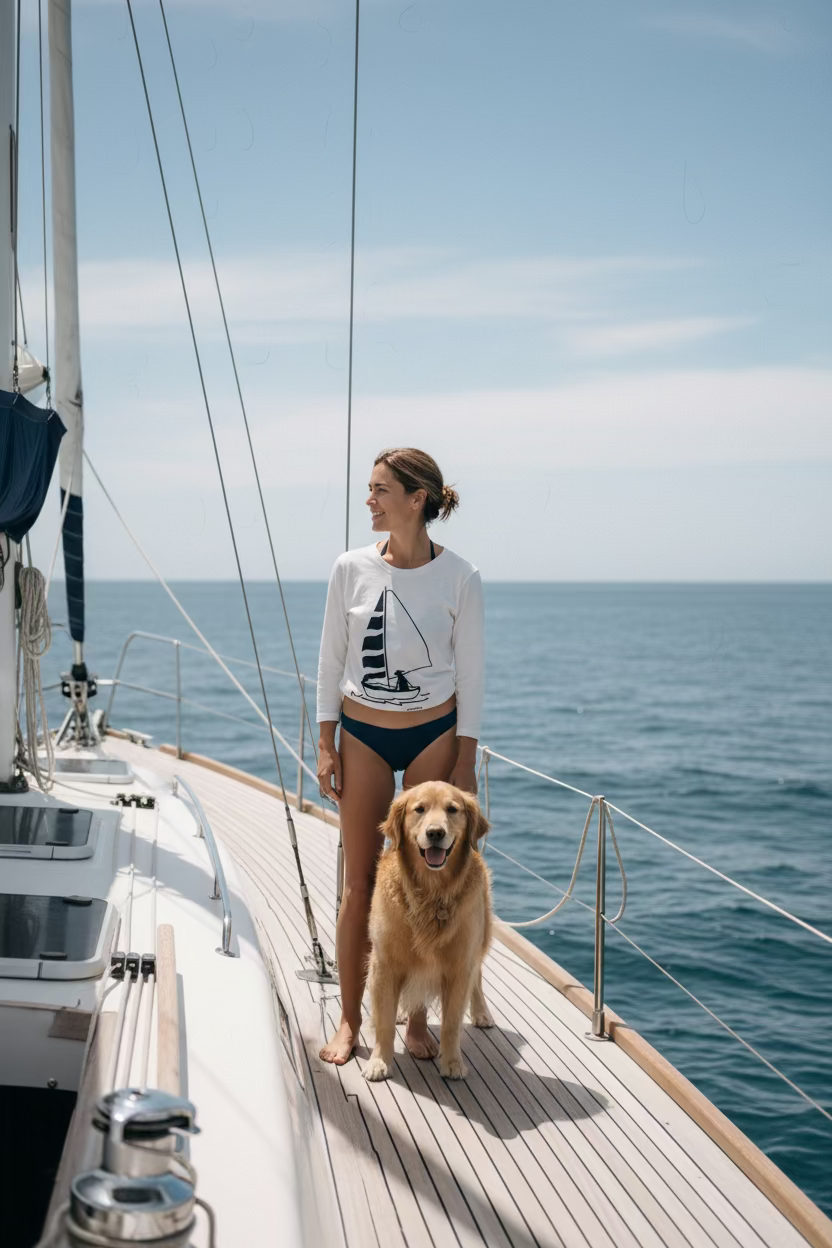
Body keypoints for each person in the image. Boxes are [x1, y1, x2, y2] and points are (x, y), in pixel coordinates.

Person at [316, 447, 485, 1065]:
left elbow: (472, 675)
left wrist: (464, 761)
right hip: (362, 734)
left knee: (426, 889)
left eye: (380, 489)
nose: (369, 500)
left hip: (433, 735)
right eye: (369, 488)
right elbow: (331, 660)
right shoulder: (350, 568)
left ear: (417, 499)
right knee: (360, 884)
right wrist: (323, 741)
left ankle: (415, 1023)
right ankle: (350, 1019)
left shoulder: (460, 578)